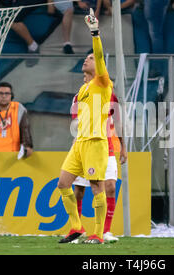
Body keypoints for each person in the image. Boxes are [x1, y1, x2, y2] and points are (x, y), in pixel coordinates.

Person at [57, 9, 113, 244]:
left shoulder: (102, 81)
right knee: (63, 183)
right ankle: (76, 227)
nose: (86, 59)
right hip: (79, 142)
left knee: (96, 186)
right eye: (85, 58)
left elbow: (99, 57)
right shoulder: (83, 89)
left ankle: (98, 234)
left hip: (96, 142)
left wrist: (95, 33)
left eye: (89, 58)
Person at [71, 92, 127, 243]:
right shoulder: (80, 96)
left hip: (106, 150)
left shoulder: (111, 96)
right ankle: (77, 230)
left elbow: (118, 123)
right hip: (84, 149)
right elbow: (75, 125)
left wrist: (123, 147)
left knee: (110, 187)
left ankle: (105, 231)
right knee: (79, 190)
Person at [0, 82, 33, 157]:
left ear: (11, 95)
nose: (4, 96)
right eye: (0, 93)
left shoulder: (18, 108)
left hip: (13, 156)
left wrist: (27, 146)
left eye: (7, 93)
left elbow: (25, 128)